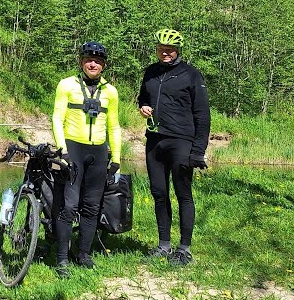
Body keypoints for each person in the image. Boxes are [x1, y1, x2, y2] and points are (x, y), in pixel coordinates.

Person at [137, 28, 211, 266]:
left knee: (183, 194)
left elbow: (202, 115)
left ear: (177, 50)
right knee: (159, 193)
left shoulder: (191, 75)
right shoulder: (151, 72)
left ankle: (184, 249)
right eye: (161, 49)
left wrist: (198, 150)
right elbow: (143, 98)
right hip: (155, 141)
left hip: (181, 141)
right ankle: (164, 245)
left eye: (169, 50)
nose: (165, 53)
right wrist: (143, 107)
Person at [51, 41, 121, 275]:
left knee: (92, 207)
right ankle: (61, 259)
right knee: (69, 207)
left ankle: (84, 254)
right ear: (81, 62)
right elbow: (57, 118)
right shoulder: (67, 85)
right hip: (73, 149)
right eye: (89, 60)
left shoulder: (110, 91)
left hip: (98, 153)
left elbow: (115, 126)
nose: (93, 64)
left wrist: (117, 157)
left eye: (98, 61)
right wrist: (62, 150)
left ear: (103, 65)